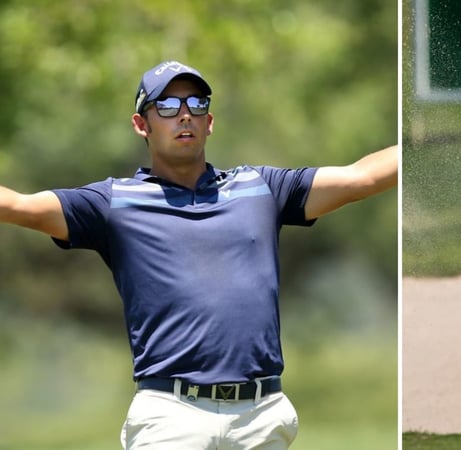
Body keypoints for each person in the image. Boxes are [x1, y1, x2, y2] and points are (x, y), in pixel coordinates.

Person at [0, 60, 397, 449]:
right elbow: (17, 205)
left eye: (196, 104)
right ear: (142, 124)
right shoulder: (114, 203)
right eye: (168, 106)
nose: (184, 115)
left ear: (210, 122)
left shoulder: (262, 188)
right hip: (171, 416)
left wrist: (429, 141)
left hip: (261, 415)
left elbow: (361, 178)